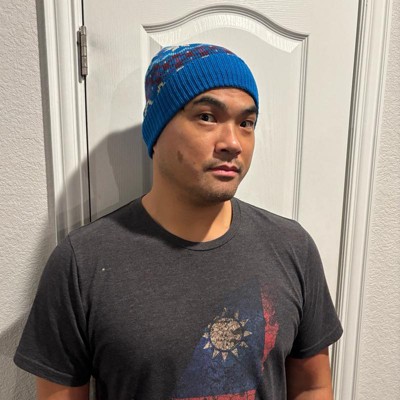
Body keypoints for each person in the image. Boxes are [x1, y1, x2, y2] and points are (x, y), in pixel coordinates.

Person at [14, 43, 342, 400]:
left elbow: (312, 386)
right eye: (207, 117)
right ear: (157, 131)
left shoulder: (292, 247)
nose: (233, 142)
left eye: (246, 123)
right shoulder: (83, 262)